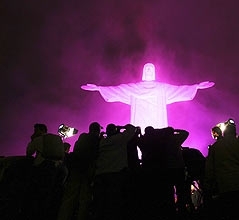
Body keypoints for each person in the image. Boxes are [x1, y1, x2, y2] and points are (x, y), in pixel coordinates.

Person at [81, 63, 215, 132]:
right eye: (147, 69)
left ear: (155, 72)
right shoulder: (134, 88)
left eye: (151, 69)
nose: (149, 71)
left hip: (158, 123)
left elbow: (179, 90)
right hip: (139, 122)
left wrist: (195, 87)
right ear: (144, 72)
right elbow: (117, 90)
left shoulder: (162, 88)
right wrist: (99, 88)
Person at [204, 120, 239, 220]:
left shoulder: (215, 147)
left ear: (224, 133)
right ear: (235, 132)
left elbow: (209, 169)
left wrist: (209, 186)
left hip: (225, 187)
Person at [57, 122, 103, 220]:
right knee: (84, 200)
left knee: (69, 198)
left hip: (76, 169)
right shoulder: (97, 140)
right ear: (98, 130)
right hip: (87, 172)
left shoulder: (82, 137)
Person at [92, 123, 138, 220]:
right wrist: (121, 127)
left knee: (100, 203)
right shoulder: (120, 139)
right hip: (115, 175)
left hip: (101, 174)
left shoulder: (102, 142)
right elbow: (132, 129)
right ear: (115, 130)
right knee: (113, 203)